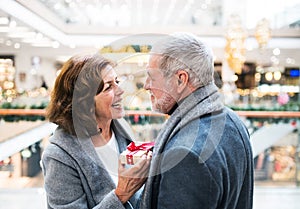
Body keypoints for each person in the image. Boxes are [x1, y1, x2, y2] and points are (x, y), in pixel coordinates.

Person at [140, 32, 254, 209]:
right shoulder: (232, 120)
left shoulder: (185, 156)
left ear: (180, 79)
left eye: (152, 77)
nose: (146, 85)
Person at [41, 53, 151, 209]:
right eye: (108, 87)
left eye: (117, 82)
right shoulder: (59, 156)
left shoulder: (120, 128)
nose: (120, 91)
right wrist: (121, 195)